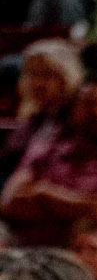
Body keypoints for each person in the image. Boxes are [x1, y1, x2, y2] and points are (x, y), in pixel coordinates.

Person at [0, 77, 97, 246]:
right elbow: (8, 202)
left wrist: (44, 195)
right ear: (72, 110)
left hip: (86, 263)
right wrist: (82, 206)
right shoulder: (42, 152)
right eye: (86, 104)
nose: (94, 112)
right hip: (28, 256)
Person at [0, 38, 80, 179]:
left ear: (66, 77)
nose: (38, 83)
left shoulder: (75, 120)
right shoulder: (33, 119)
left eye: (47, 74)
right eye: (32, 74)